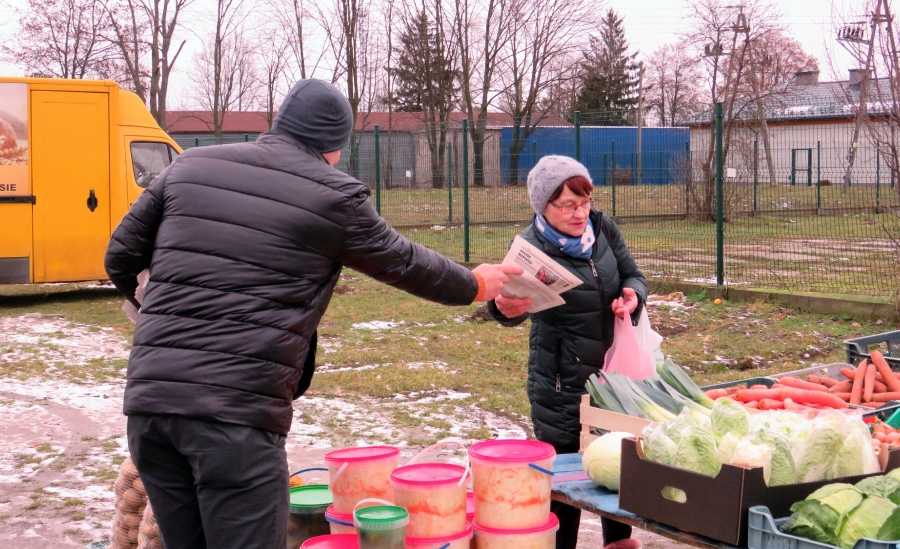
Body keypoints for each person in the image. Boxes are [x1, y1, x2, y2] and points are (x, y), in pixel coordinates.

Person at [104, 78, 521, 549]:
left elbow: (120, 257)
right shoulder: (331, 196)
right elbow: (405, 262)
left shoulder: (189, 166)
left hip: (151, 406)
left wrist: (168, 316)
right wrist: (476, 284)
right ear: (334, 144)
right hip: (236, 418)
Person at [487, 155, 648, 549]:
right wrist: (502, 307)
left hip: (614, 375)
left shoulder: (603, 228)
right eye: (568, 205)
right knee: (565, 485)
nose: (580, 214)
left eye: (585, 202)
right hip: (561, 383)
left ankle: (618, 544)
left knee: (617, 467)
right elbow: (503, 305)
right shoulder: (530, 247)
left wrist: (633, 297)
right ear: (544, 206)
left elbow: (632, 274)